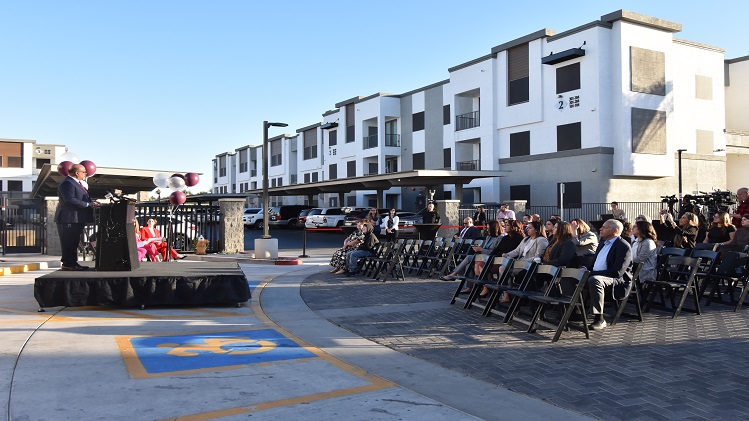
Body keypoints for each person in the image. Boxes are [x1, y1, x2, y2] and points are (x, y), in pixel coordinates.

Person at [586, 219, 633, 330]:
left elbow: (617, 272)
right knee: (569, 276)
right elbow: (593, 264)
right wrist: (585, 269)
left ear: (615, 231)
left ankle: (599, 319)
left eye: (605, 227)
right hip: (596, 274)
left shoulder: (623, 246)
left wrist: (591, 273)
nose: (601, 229)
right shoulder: (602, 243)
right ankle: (573, 311)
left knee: (594, 280)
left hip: (615, 280)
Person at [55, 163, 100, 271]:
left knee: (74, 242)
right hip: (68, 218)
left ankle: (72, 263)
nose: (86, 174)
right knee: (68, 242)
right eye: (84, 172)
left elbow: (80, 198)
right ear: (77, 173)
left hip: (76, 218)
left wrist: (91, 202)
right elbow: (69, 199)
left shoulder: (78, 183)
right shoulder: (67, 183)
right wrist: (87, 204)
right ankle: (67, 264)